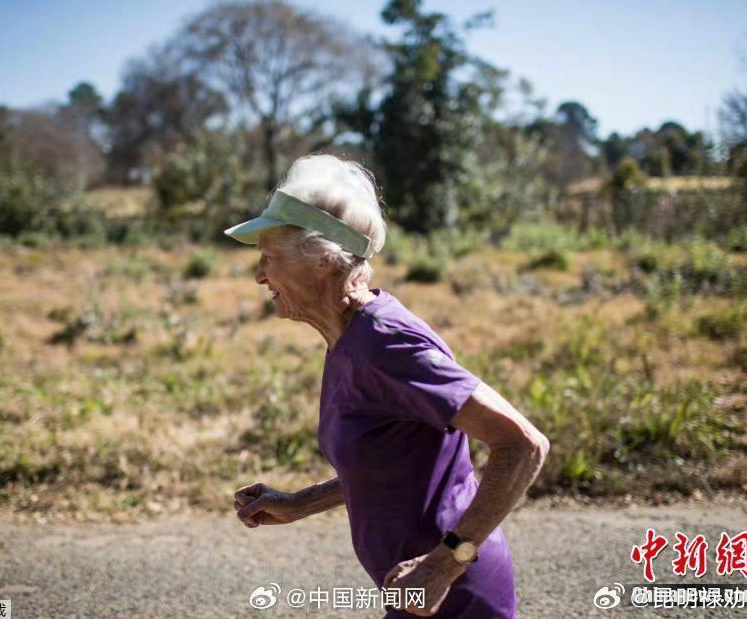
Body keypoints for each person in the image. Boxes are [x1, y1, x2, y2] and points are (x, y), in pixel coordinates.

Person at [225, 154, 550, 619]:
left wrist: (443, 565)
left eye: (270, 257)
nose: (259, 274)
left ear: (321, 261)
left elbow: (523, 444)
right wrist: (299, 503)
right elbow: (393, 463)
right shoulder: (349, 339)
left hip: (451, 596)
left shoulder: (385, 344)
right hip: (415, 593)